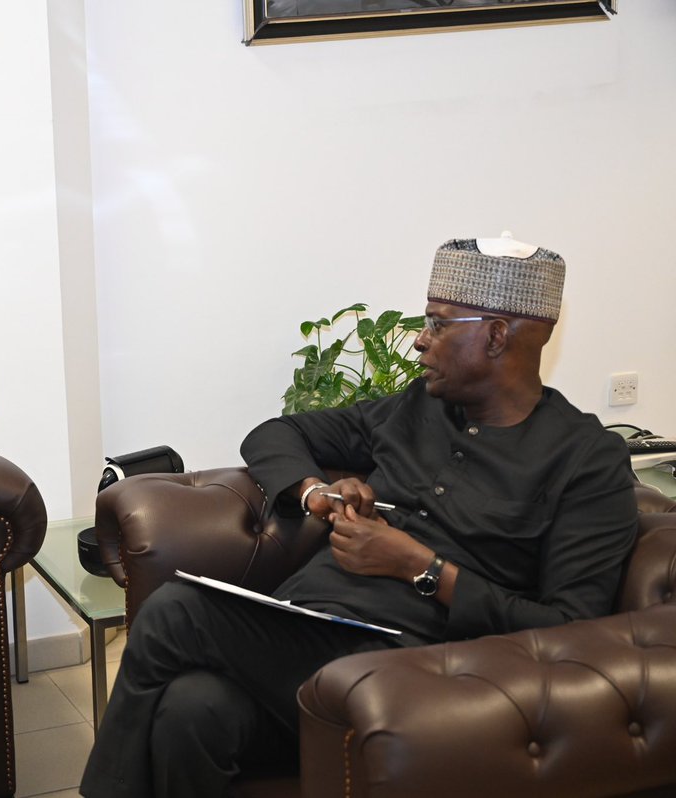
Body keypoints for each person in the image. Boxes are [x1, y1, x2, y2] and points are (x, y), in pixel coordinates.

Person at [80, 235, 639, 798]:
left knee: (176, 612)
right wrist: (314, 490)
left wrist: (421, 568)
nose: (421, 342)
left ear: (496, 335)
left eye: (439, 324)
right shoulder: (417, 407)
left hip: (413, 667)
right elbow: (276, 433)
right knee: (192, 710)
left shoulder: (586, 461)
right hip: (308, 632)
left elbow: (572, 630)